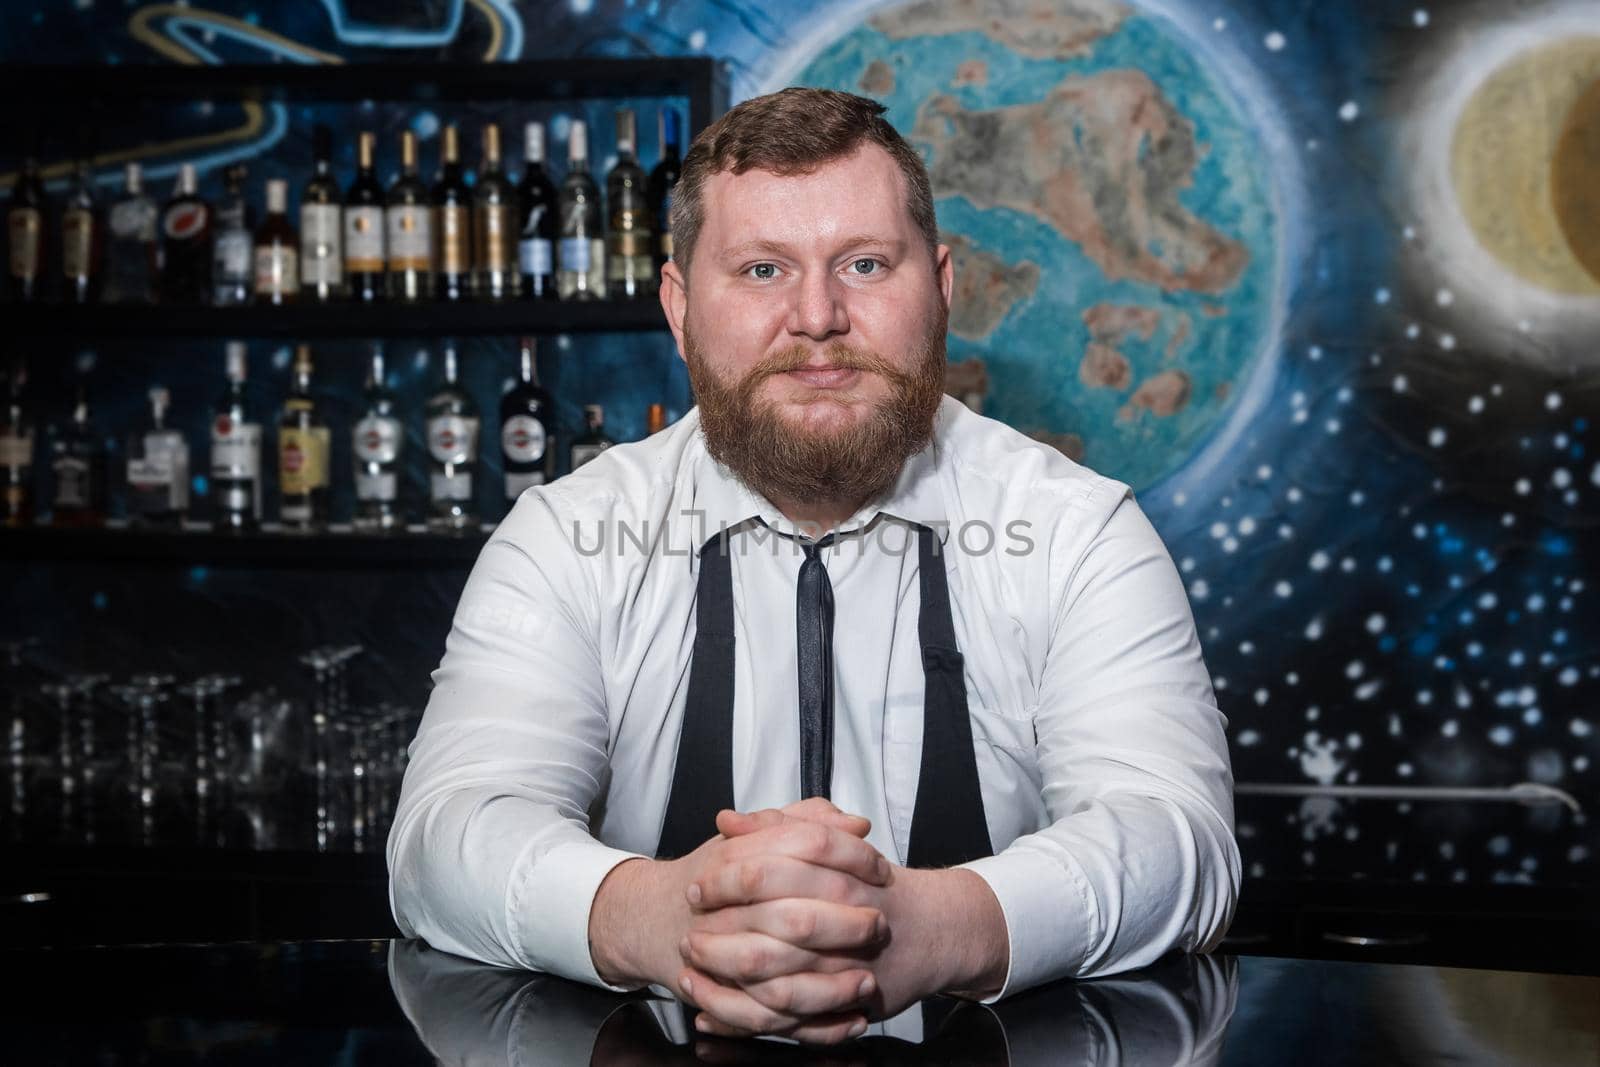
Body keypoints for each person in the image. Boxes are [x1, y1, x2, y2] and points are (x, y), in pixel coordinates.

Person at [387, 87, 1238, 1046]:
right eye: (761, 269)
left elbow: (1178, 843)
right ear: (678, 307)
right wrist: (656, 916)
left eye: (866, 264)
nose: (818, 317)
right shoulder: (565, 535)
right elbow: (442, 839)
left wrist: (934, 927)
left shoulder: (1081, 532)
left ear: (944, 288)